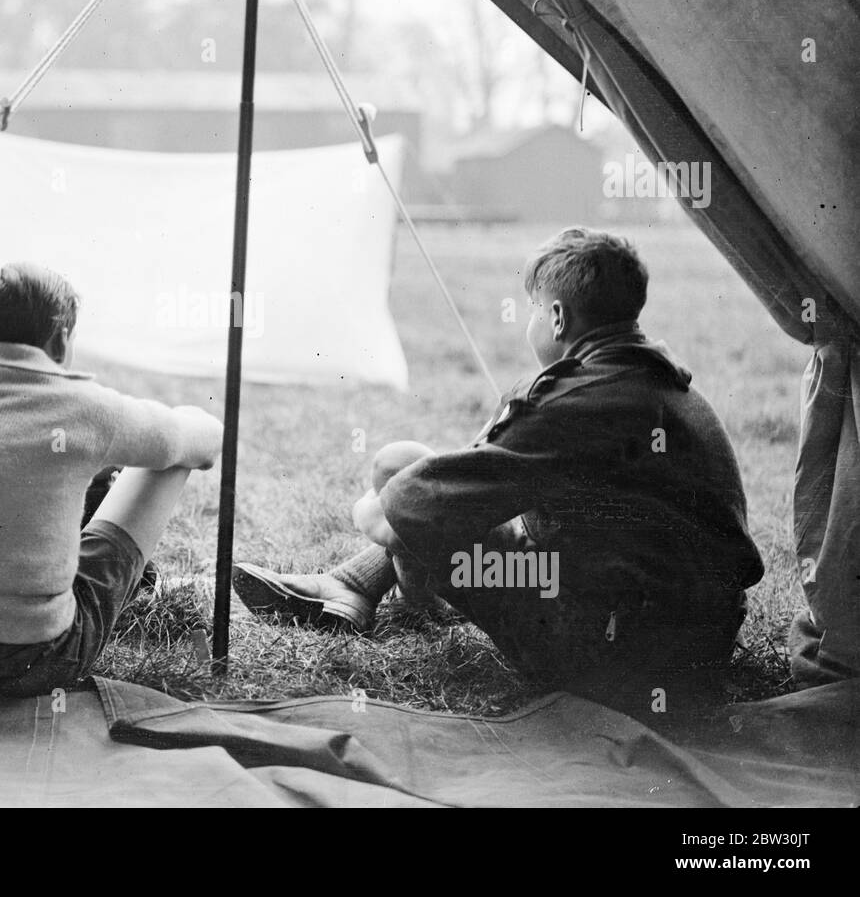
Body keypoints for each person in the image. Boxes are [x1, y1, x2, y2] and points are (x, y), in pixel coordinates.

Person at [233, 227, 765, 704]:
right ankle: (352, 586)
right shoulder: (664, 381)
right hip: (697, 654)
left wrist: (369, 509)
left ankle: (356, 587)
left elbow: (399, 513)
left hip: (610, 658)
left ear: (557, 317)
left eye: (534, 308)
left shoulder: (577, 400)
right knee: (411, 472)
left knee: (402, 486)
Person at [0, 262, 223, 709]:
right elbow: (202, 442)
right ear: (61, 340)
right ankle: (140, 584)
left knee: (86, 476)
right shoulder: (84, 408)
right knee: (166, 462)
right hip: (28, 659)